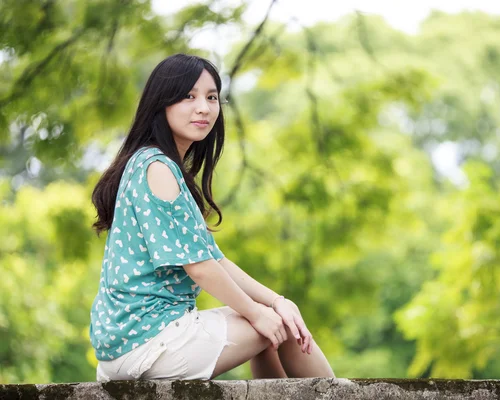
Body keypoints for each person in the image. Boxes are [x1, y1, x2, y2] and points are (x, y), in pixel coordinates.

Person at [89, 54, 335, 381]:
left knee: (274, 323)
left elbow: (213, 258)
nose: (204, 107)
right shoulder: (157, 168)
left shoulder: (149, 163)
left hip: (128, 344)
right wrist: (261, 314)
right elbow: (200, 269)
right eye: (189, 96)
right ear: (161, 103)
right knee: (283, 329)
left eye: (212, 97)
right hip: (149, 343)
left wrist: (277, 302)